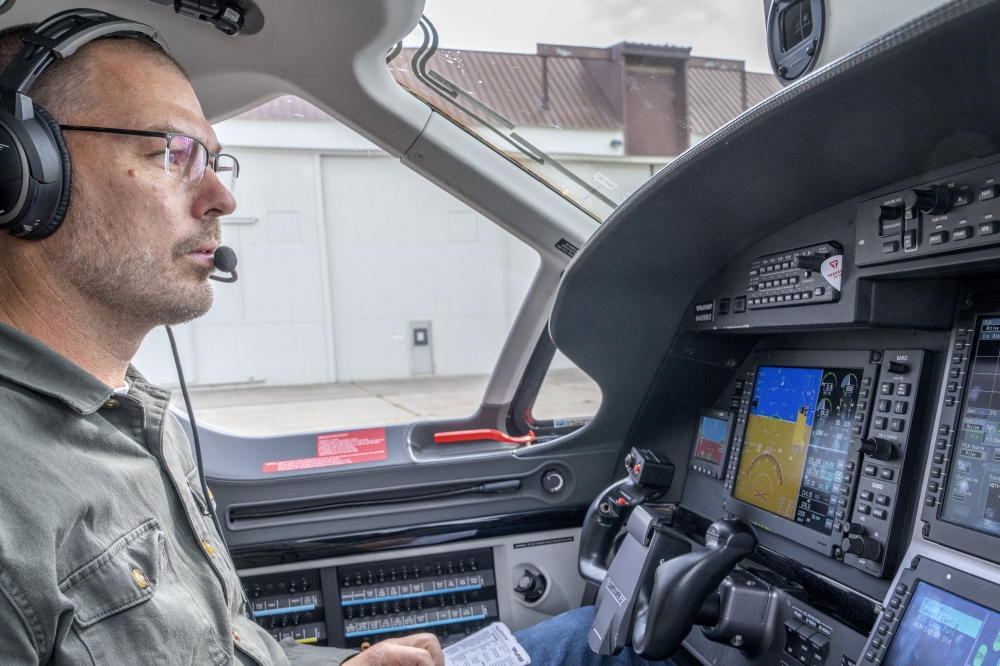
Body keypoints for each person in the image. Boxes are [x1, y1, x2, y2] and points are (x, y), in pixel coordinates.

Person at [0, 16, 674, 666]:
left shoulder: (136, 415)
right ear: (22, 171)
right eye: (172, 153)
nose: (220, 198)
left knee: (607, 634)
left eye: (214, 159)